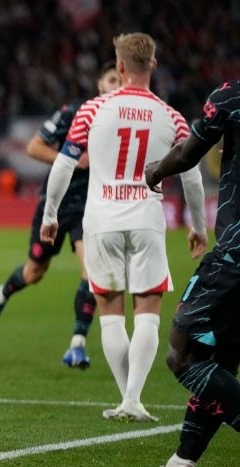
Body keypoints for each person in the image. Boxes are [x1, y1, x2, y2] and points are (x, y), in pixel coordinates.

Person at [39, 32, 207, 422]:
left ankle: (125, 399)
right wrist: (197, 224)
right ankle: (134, 398)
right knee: (147, 310)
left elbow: (63, 164)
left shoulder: (92, 109)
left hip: (101, 220)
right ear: (153, 65)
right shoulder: (172, 116)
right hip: (147, 218)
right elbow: (192, 177)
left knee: (110, 311)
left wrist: (50, 214)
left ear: (118, 66)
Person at [0, 61, 122, 370]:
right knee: (35, 271)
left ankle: (77, 344)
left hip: (94, 205)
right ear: (99, 85)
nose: (116, 85)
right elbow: (33, 147)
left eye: (121, 80)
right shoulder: (75, 112)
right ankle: (2, 294)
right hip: (58, 201)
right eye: (111, 79)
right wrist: (70, 160)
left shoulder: (128, 119)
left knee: (92, 273)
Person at [145, 80, 240, 467]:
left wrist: (154, 171)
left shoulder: (231, 97)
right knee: (222, 355)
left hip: (236, 256)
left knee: (183, 353)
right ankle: (183, 461)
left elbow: (186, 154)